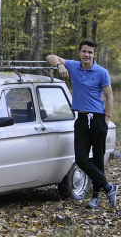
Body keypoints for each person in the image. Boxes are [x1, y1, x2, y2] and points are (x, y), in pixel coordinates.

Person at [46, 38, 118, 209]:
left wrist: (106, 120)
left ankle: (95, 197)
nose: (87, 55)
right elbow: (50, 56)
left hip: (98, 119)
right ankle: (109, 187)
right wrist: (60, 66)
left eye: (90, 52)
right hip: (81, 119)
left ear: (94, 54)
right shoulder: (73, 65)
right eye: (84, 51)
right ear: (80, 53)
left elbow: (109, 97)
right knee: (81, 158)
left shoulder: (101, 72)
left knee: (98, 160)